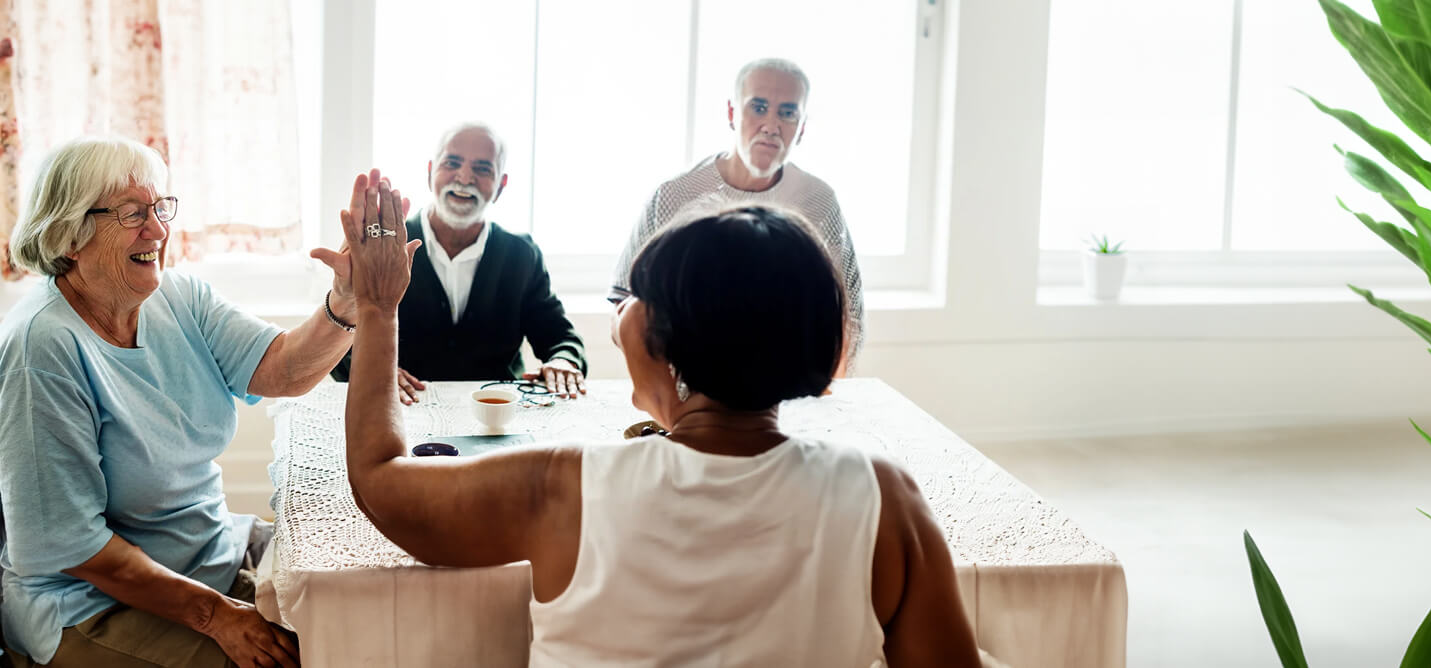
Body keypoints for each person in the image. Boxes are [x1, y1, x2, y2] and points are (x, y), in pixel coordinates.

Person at [341, 192, 977, 666]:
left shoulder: (567, 487)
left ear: (660, 340)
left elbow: (378, 478)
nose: (619, 313)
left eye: (633, 298)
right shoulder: (883, 498)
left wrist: (376, 308)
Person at [0, 136, 386, 667]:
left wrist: (345, 303)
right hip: (89, 604)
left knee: (363, 599)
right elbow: (74, 546)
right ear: (70, 235)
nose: (158, 230)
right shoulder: (41, 348)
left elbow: (283, 369)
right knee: (305, 657)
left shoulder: (180, 297)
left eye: (160, 208)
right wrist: (218, 617)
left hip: (207, 554)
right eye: (133, 213)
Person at [609, 58, 865, 366]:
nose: (771, 126)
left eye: (787, 113)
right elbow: (625, 302)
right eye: (758, 108)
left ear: (801, 128)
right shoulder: (676, 196)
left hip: (785, 380)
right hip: (690, 382)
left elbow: (847, 315)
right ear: (732, 113)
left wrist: (822, 398)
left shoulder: (818, 202)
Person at [330, 123, 587, 404]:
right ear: (430, 173)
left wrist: (564, 362)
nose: (465, 178)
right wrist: (373, 371)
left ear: (500, 186)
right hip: (402, 413)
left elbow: (560, 337)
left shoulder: (521, 254)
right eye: (452, 163)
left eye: (482, 169)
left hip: (499, 421)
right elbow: (340, 339)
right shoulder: (383, 245)